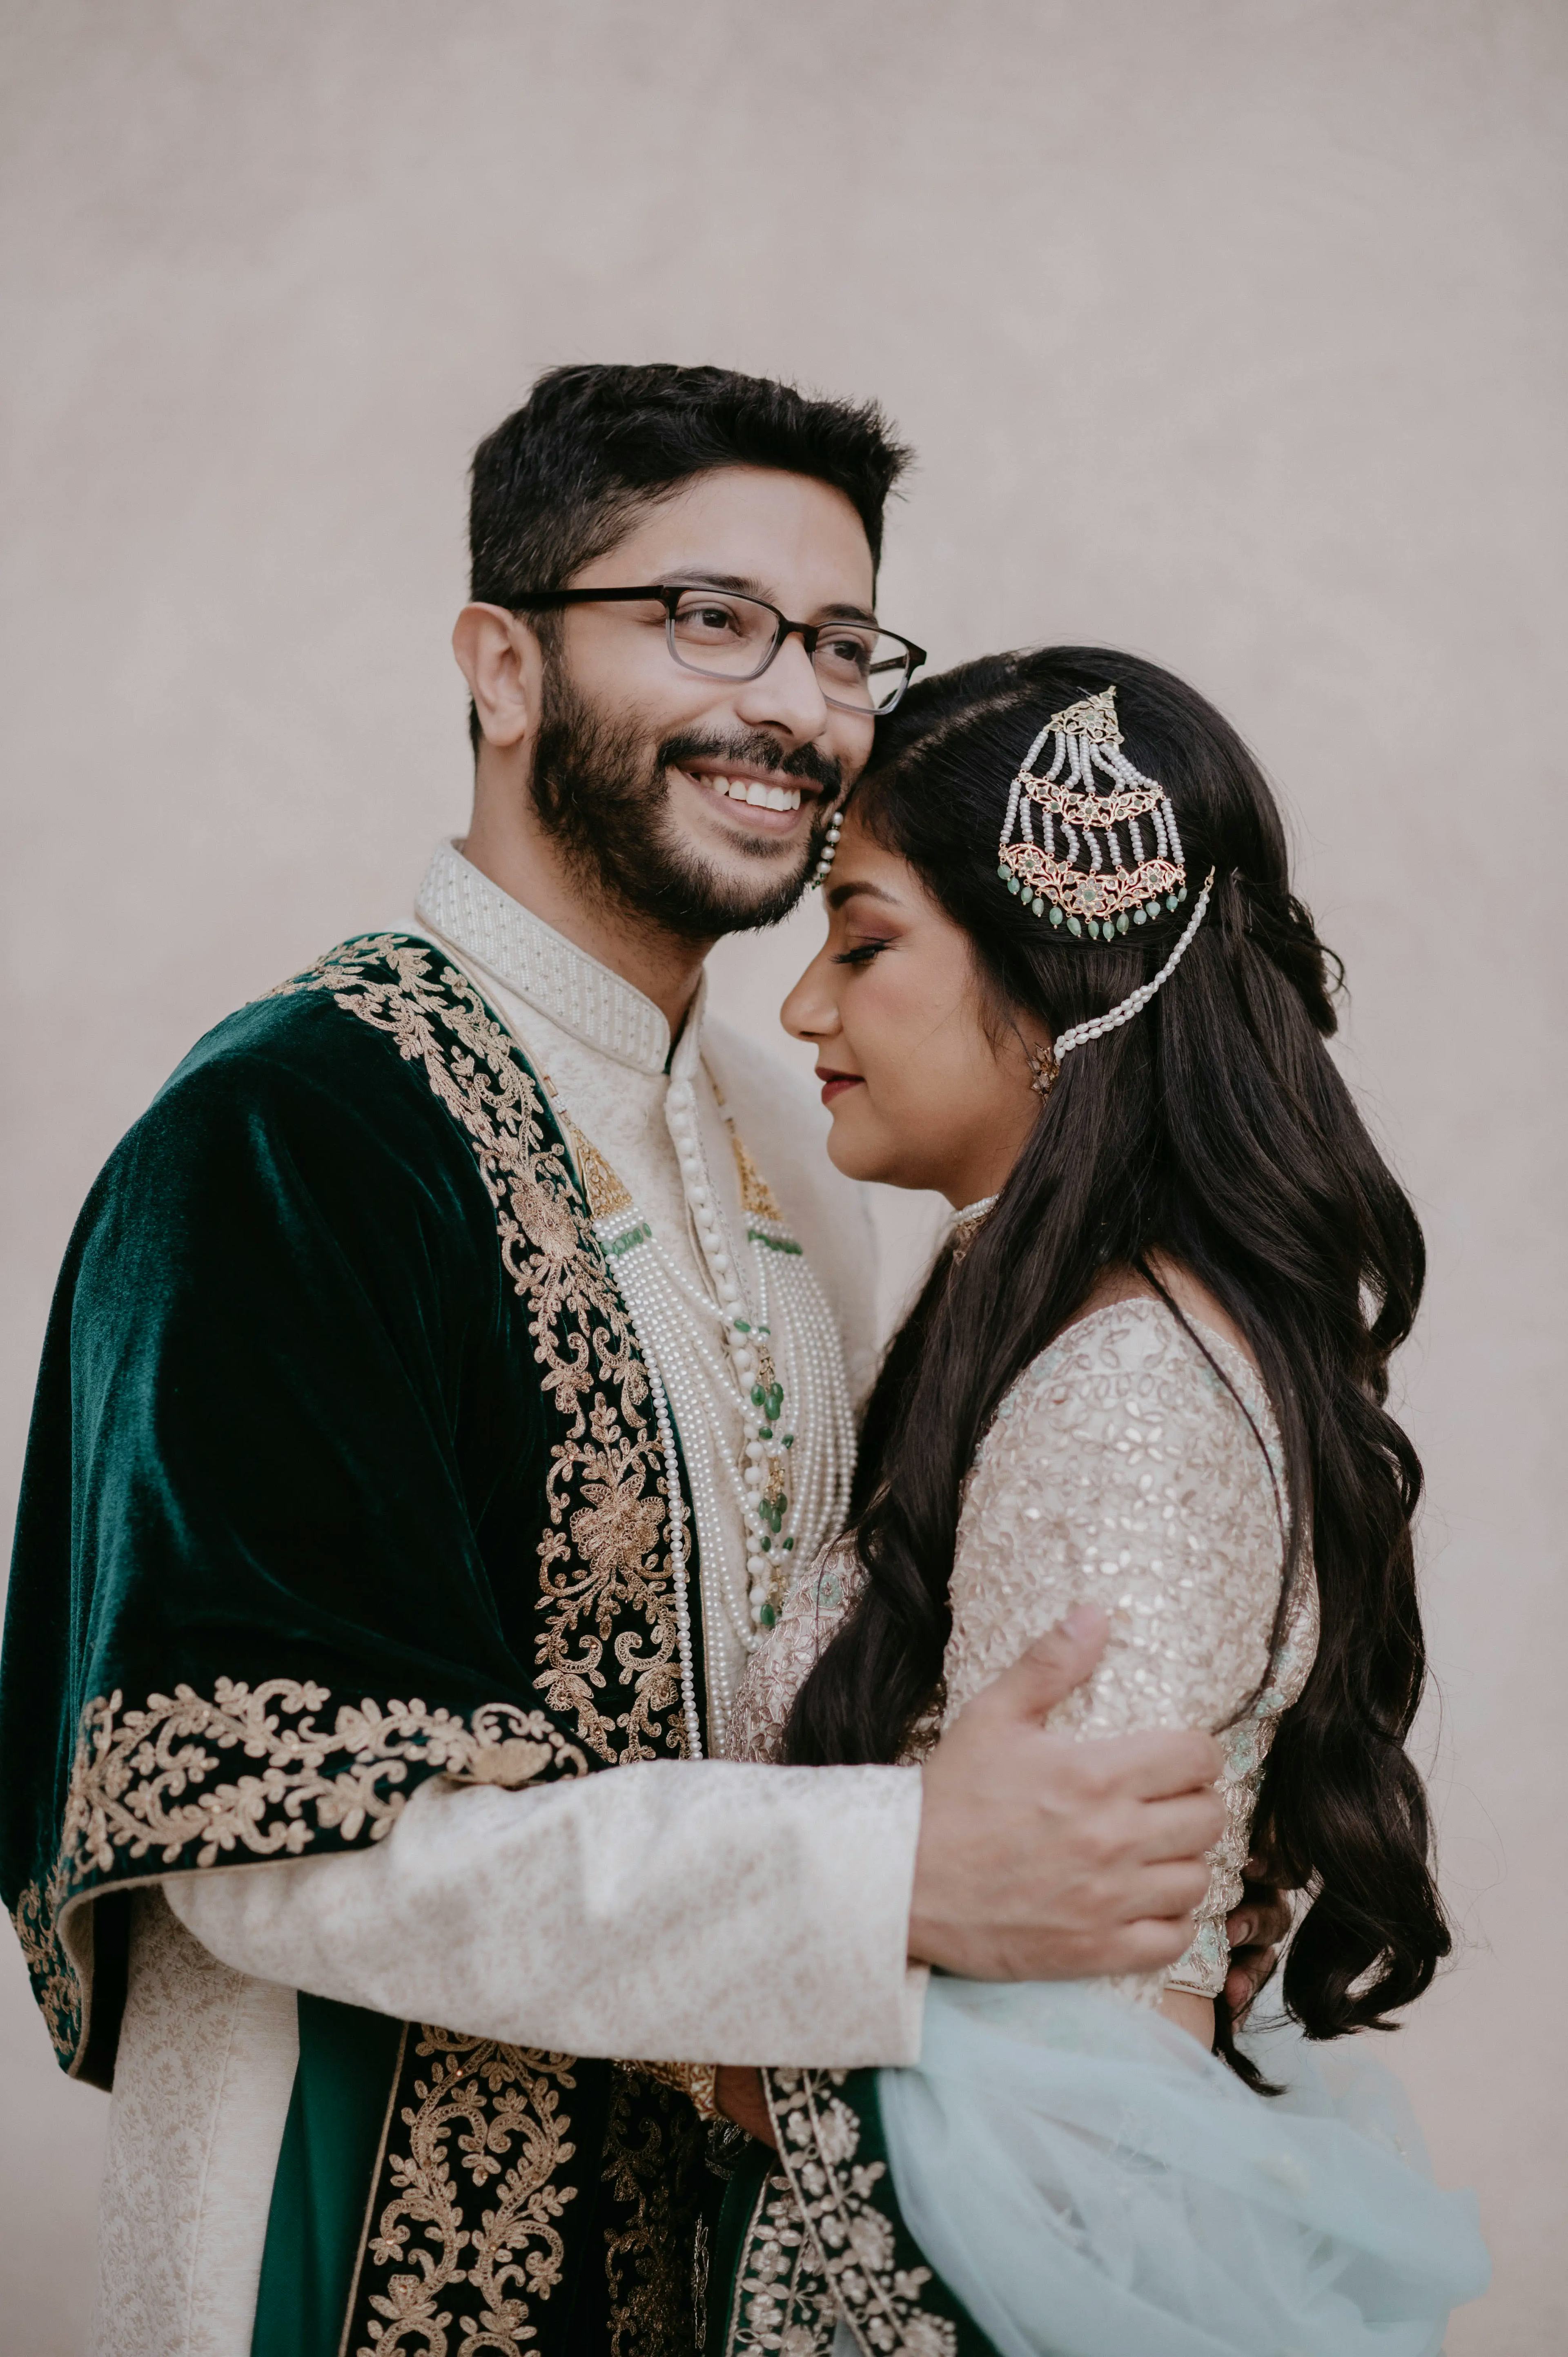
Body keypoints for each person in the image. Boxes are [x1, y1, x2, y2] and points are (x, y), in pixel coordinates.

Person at [0, 372, 1266, 2357]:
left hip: (755, 2253)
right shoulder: (286, 1142)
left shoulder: (804, 1154)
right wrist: (908, 1875)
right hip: (354, 2237)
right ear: (502, 667)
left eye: (843, 644)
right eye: (710, 619)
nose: (799, 705)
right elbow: (258, 1835)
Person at [708, 647, 1491, 2356]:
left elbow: (1058, 2068)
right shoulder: (1065, 1333)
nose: (802, 1011)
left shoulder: (1127, 1395)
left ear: (1064, 977)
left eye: (862, 939)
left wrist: (694, 2022)